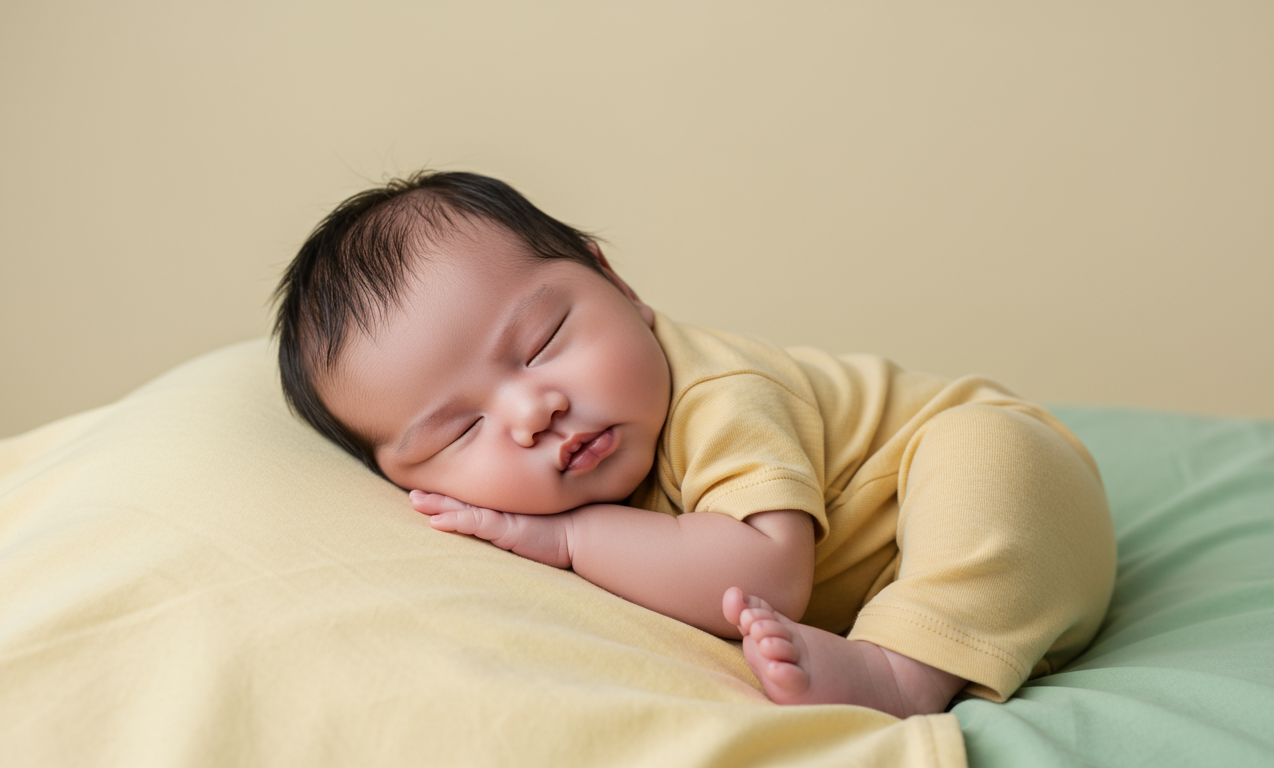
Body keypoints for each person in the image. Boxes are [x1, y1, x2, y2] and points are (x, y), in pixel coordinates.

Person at [273, 171, 1116, 718]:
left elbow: (769, 573)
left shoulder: (715, 392)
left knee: (983, 448)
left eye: (541, 343)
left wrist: (570, 541)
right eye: (462, 430)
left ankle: (904, 677)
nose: (533, 410)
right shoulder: (545, 490)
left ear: (617, 284)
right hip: (954, 608)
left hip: (1021, 519)